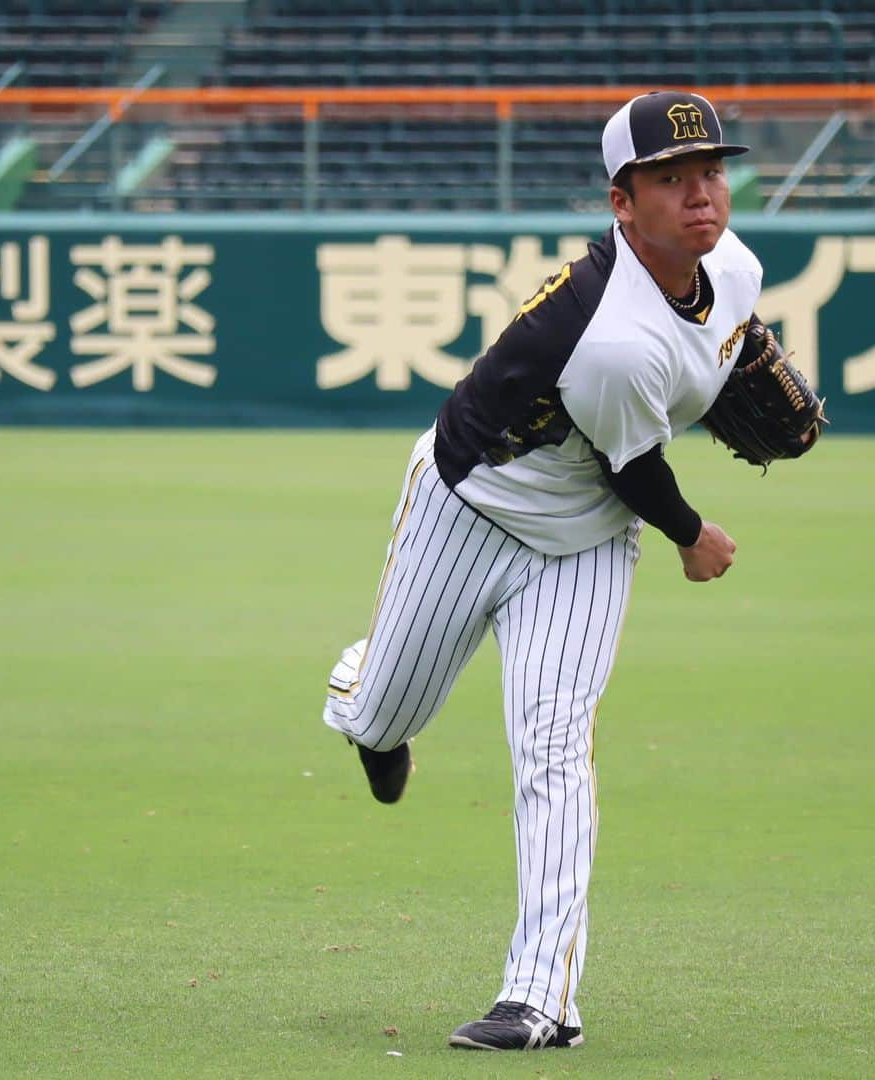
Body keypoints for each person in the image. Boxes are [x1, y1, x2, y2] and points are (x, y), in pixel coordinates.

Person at [323, 89, 786, 1051]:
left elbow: (720, 348)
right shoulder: (607, 330)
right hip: (470, 507)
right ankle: (365, 698)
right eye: (671, 178)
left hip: (584, 539)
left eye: (712, 172)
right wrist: (696, 536)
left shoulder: (731, 268)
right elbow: (638, 466)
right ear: (624, 203)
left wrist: (745, 363)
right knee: (384, 711)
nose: (702, 194)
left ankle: (541, 1000)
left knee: (552, 746)